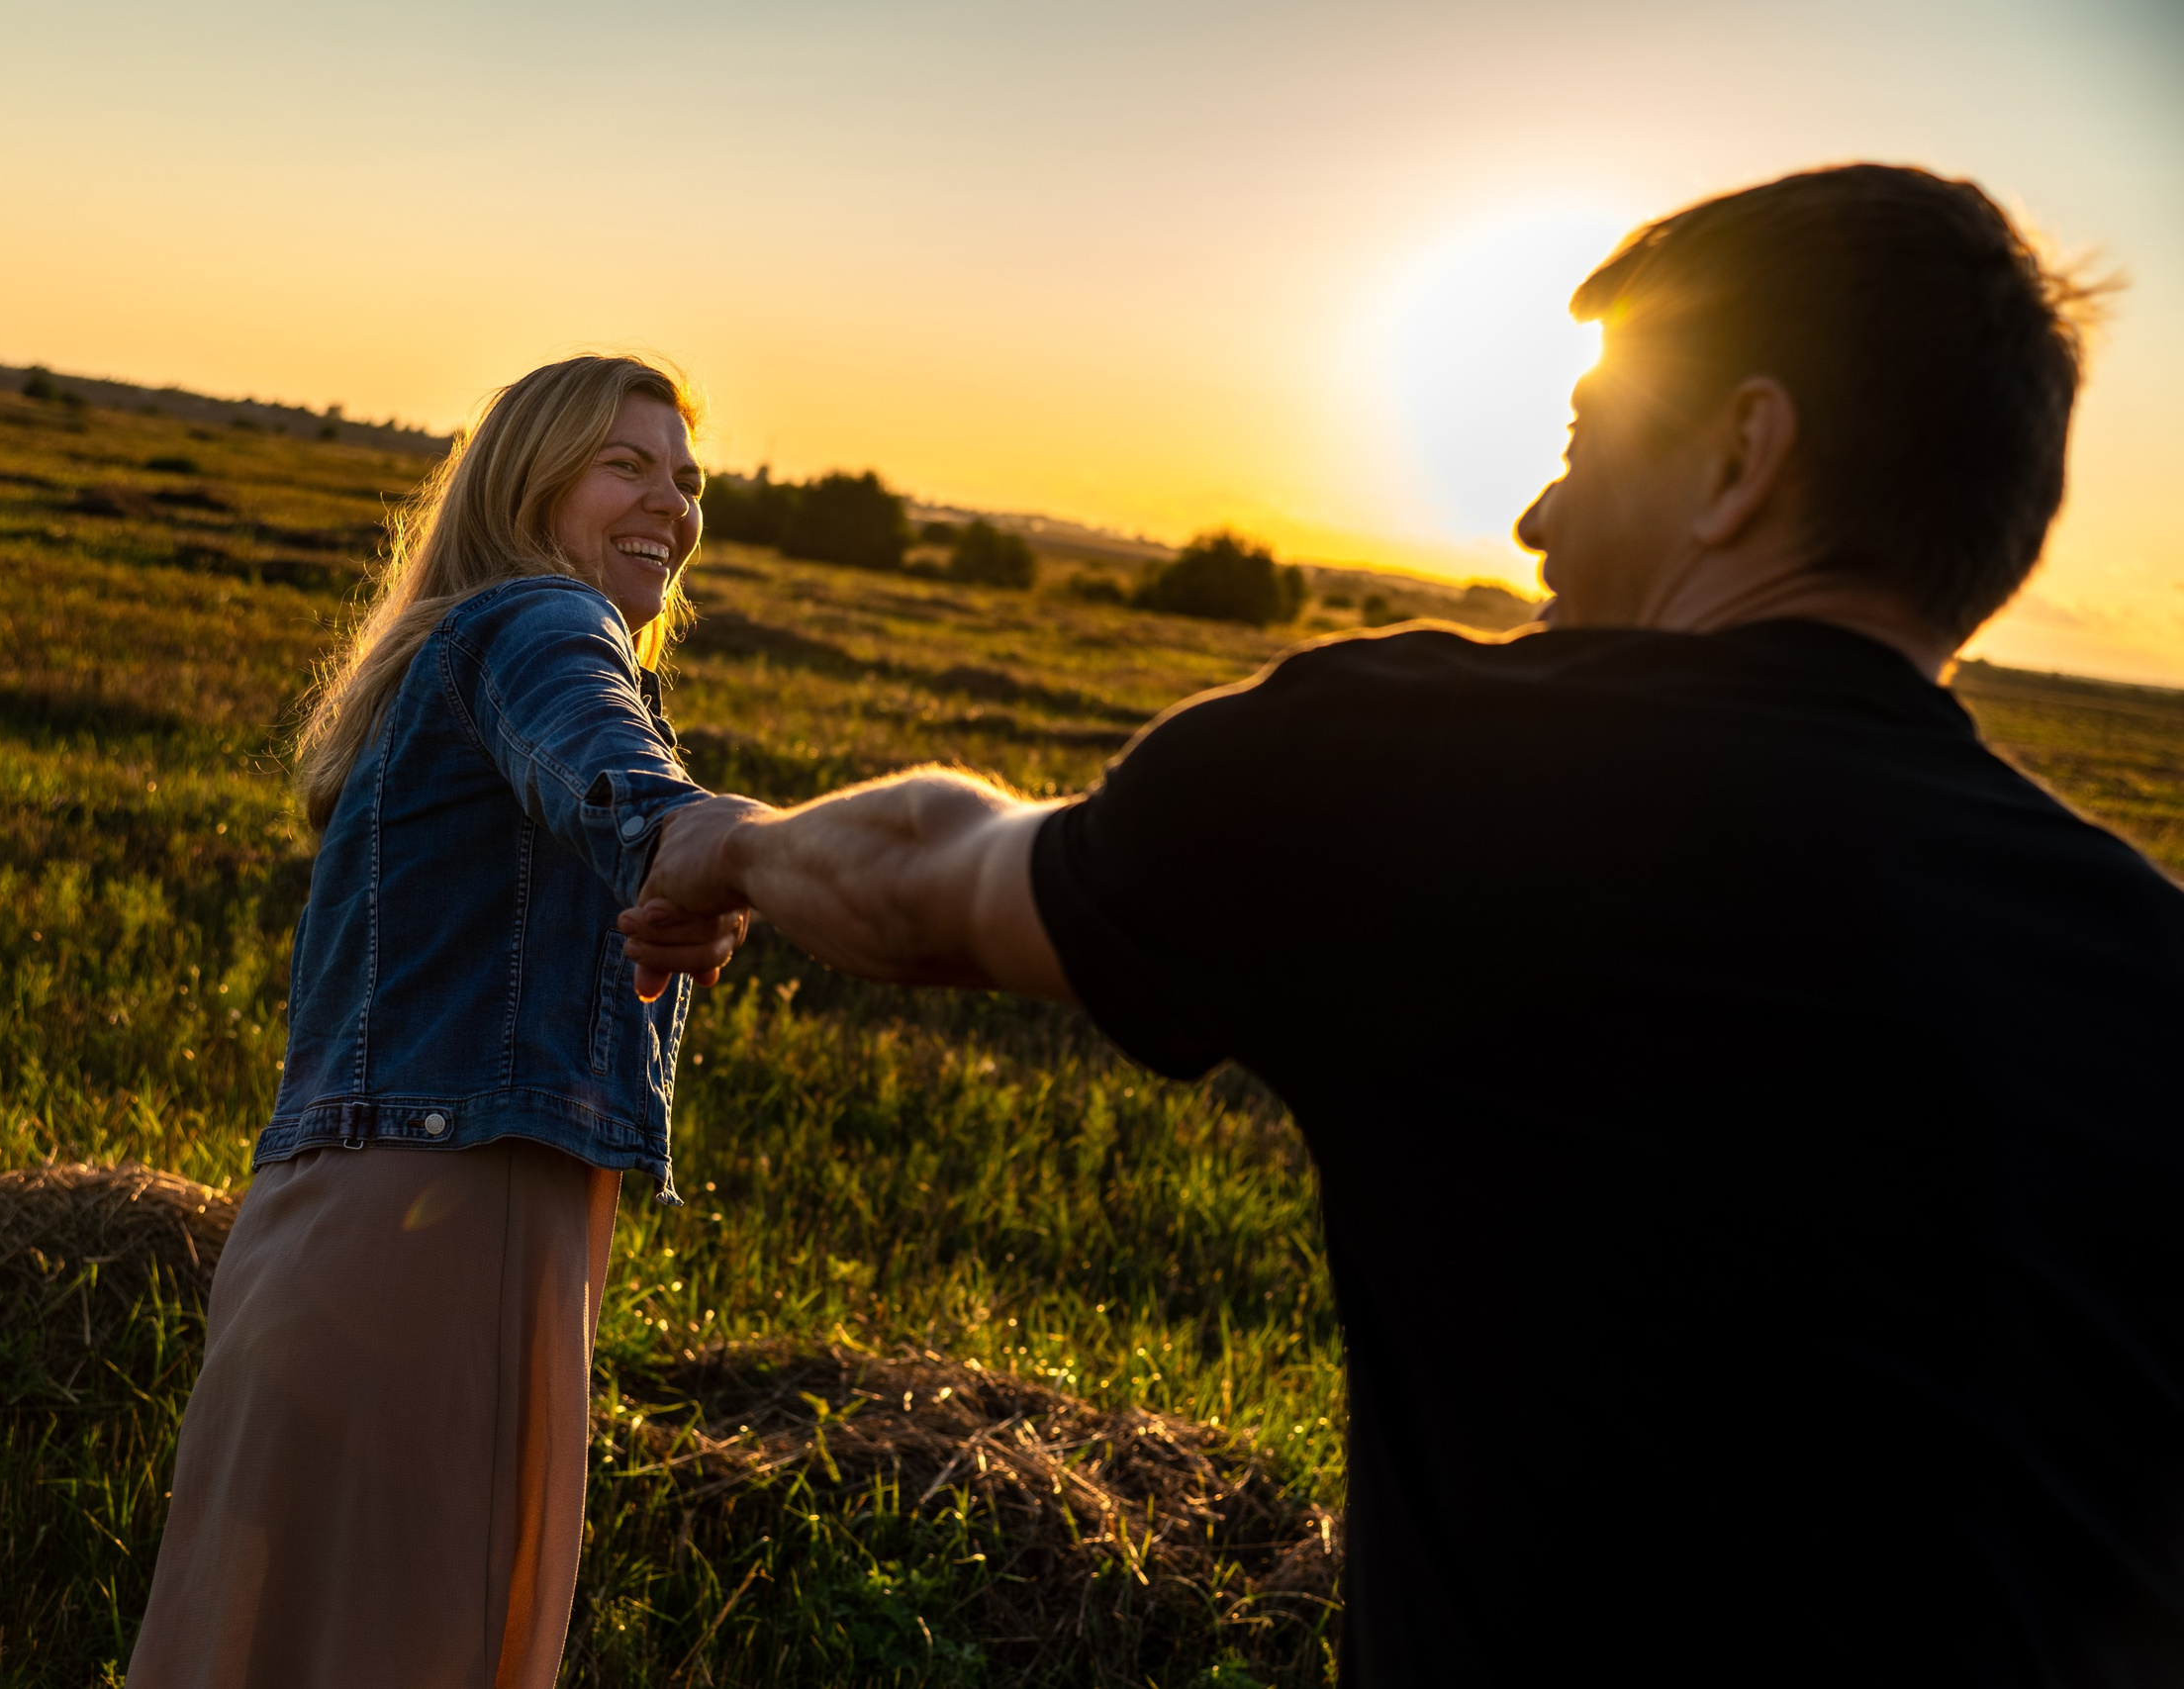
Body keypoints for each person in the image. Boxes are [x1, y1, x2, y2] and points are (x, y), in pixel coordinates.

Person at [622, 165, 2184, 1684]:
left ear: (1740, 459)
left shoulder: (1435, 771)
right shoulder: (2147, 958)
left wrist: (727, 845)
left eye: (1583, 438)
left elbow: (929, 889)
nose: (1537, 515)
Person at [130, 355, 743, 1688]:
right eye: (626, 464)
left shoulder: (445, 656)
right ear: (528, 482)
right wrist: (712, 850)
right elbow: (623, 786)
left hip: (320, 1232)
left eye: (688, 479)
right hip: (454, 1228)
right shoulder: (542, 621)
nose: (673, 503)